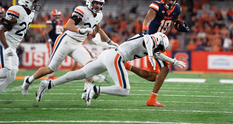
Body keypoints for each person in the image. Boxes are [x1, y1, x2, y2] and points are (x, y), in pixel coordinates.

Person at [35, 32, 186, 106]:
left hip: (107, 55)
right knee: (124, 90)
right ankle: (94, 90)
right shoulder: (150, 38)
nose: (159, 50)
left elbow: (158, 53)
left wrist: (173, 61)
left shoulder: (153, 46)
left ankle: (49, 84)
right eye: (159, 46)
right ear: (157, 40)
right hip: (115, 57)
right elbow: (149, 40)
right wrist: (152, 55)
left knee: (80, 74)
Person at [21, 0, 118, 96]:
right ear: (90, 2)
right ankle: (28, 80)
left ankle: (87, 90)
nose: (98, 5)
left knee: (91, 66)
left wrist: (110, 42)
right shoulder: (82, 11)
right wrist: (80, 30)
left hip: (77, 45)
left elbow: (98, 30)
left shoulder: (99, 15)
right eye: (95, 3)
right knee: (50, 69)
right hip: (66, 41)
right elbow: (68, 25)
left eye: (100, 3)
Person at [124, 0, 190, 107]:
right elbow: (147, 19)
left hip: (159, 42)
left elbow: (174, 20)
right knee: (165, 68)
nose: (171, 2)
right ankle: (152, 99)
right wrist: (145, 30)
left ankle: (127, 66)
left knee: (152, 76)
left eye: (173, 0)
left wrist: (178, 25)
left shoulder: (177, 8)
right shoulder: (156, 6)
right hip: (151, 40)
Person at [0, 0, 41, 91]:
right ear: (26, 0)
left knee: (12, 74)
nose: (36, 4)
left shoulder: (31, 14)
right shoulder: (17, 10)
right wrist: (7, 47)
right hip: (4, 43)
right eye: (34, 1)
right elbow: (1, 31)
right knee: (5, 72)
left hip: (12, 47)